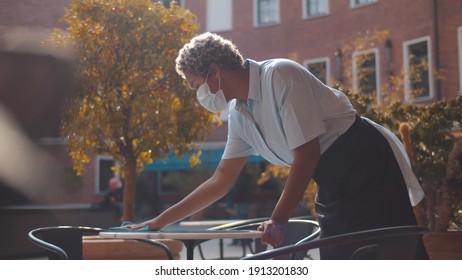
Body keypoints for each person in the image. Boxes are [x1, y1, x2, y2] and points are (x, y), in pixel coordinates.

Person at [127, 32, 426, 259]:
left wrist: (278, 219)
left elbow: (307, 154)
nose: (200, 96)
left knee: (386, 256)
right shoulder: (239, 114)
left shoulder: (281, 76)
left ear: (214, 72)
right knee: (340, 260)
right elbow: (220, 180)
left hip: (364, 162)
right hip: (330, 178)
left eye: (196, 86)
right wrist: (160, 221)